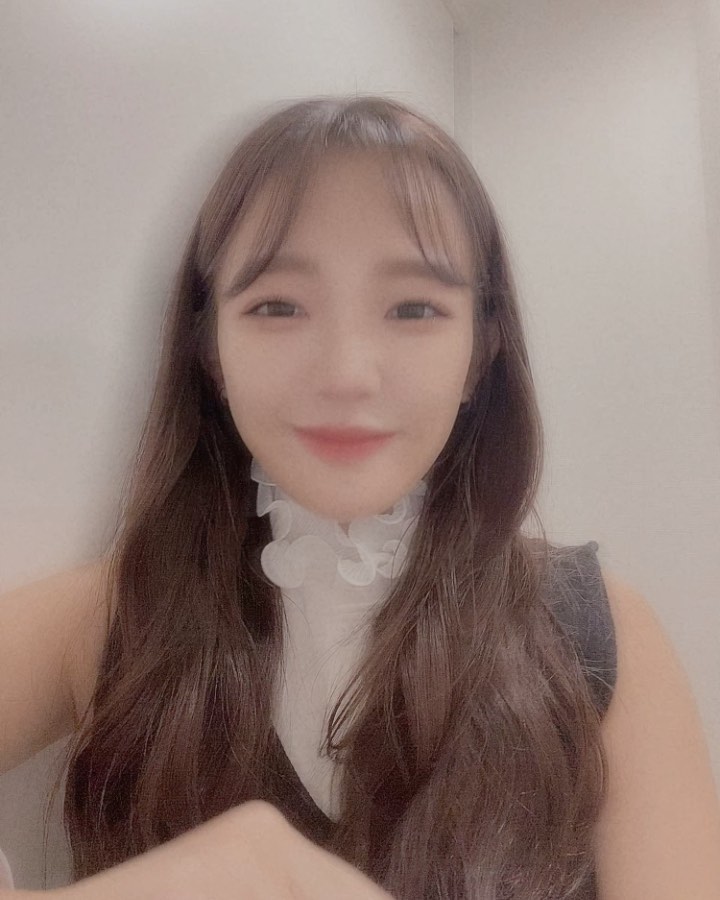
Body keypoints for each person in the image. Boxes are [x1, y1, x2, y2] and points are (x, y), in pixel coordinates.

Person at [1, 94, 719, 900]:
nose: (346, 373)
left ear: (481, 351)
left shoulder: (596, 631)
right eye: (277, 306)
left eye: (414, 308)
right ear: (210, 350)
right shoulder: (114, 614)